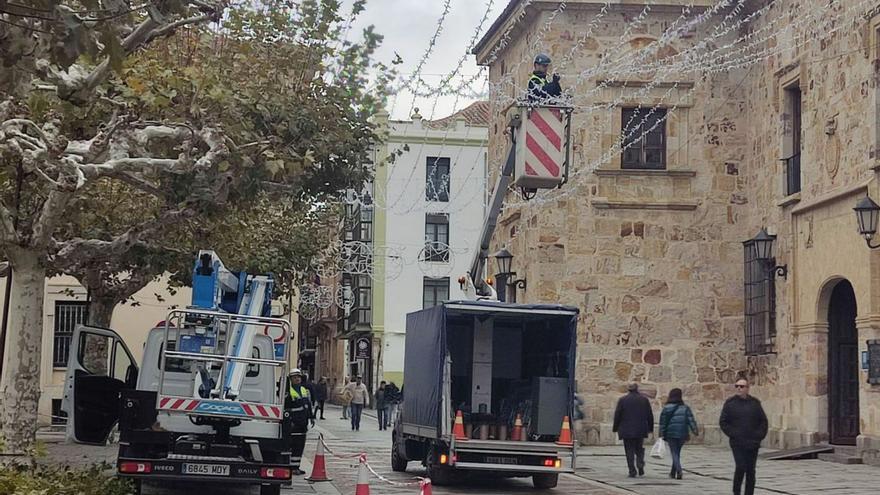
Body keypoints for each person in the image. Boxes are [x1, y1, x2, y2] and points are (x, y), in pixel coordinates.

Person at [719, 377, 768, 495]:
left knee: (751, 470)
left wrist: (759, 435)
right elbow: (723, 422)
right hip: (737, 442)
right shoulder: (730, 403)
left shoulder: (755, 403)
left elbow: (763, 421)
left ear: (747, 388)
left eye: (742, 386)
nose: (739, 389)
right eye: (737, 386)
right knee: (741, 466)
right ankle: (736, 491)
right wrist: (733, 433)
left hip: (752, 442)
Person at [612, 383, 654, 478]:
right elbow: (649, 415)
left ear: (629, 390)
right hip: (640, 429)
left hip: (626, 430)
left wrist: (615, 427)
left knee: (629, 450)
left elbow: (617, 415)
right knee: (639, 448)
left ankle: (632, 470)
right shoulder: (644, 400)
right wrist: (650, 428)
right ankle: (640, 463)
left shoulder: (623, 400)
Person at [658, 388, 698, 480]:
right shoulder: (685, 408)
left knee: (674, 453)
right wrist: (695, 430)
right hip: (682, 433)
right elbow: (691, 420)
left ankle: (679, 470)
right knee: (677, 453)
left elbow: (663, 422)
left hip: (671, 433)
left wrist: (661, 434)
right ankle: (673, 472)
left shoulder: (666, 408)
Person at [284, 368, 315, 475]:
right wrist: (289, 421)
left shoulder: (303, 390)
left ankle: (296, 466)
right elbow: (286, 408)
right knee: (293, 445)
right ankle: (291, 467)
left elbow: (308, 405)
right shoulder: (288, 392)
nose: (297, 379)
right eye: (295, 377)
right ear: (290, 379)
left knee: (300, 446)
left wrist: (311, 417)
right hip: (294, 423)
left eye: (298, 377)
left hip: (303, 423)